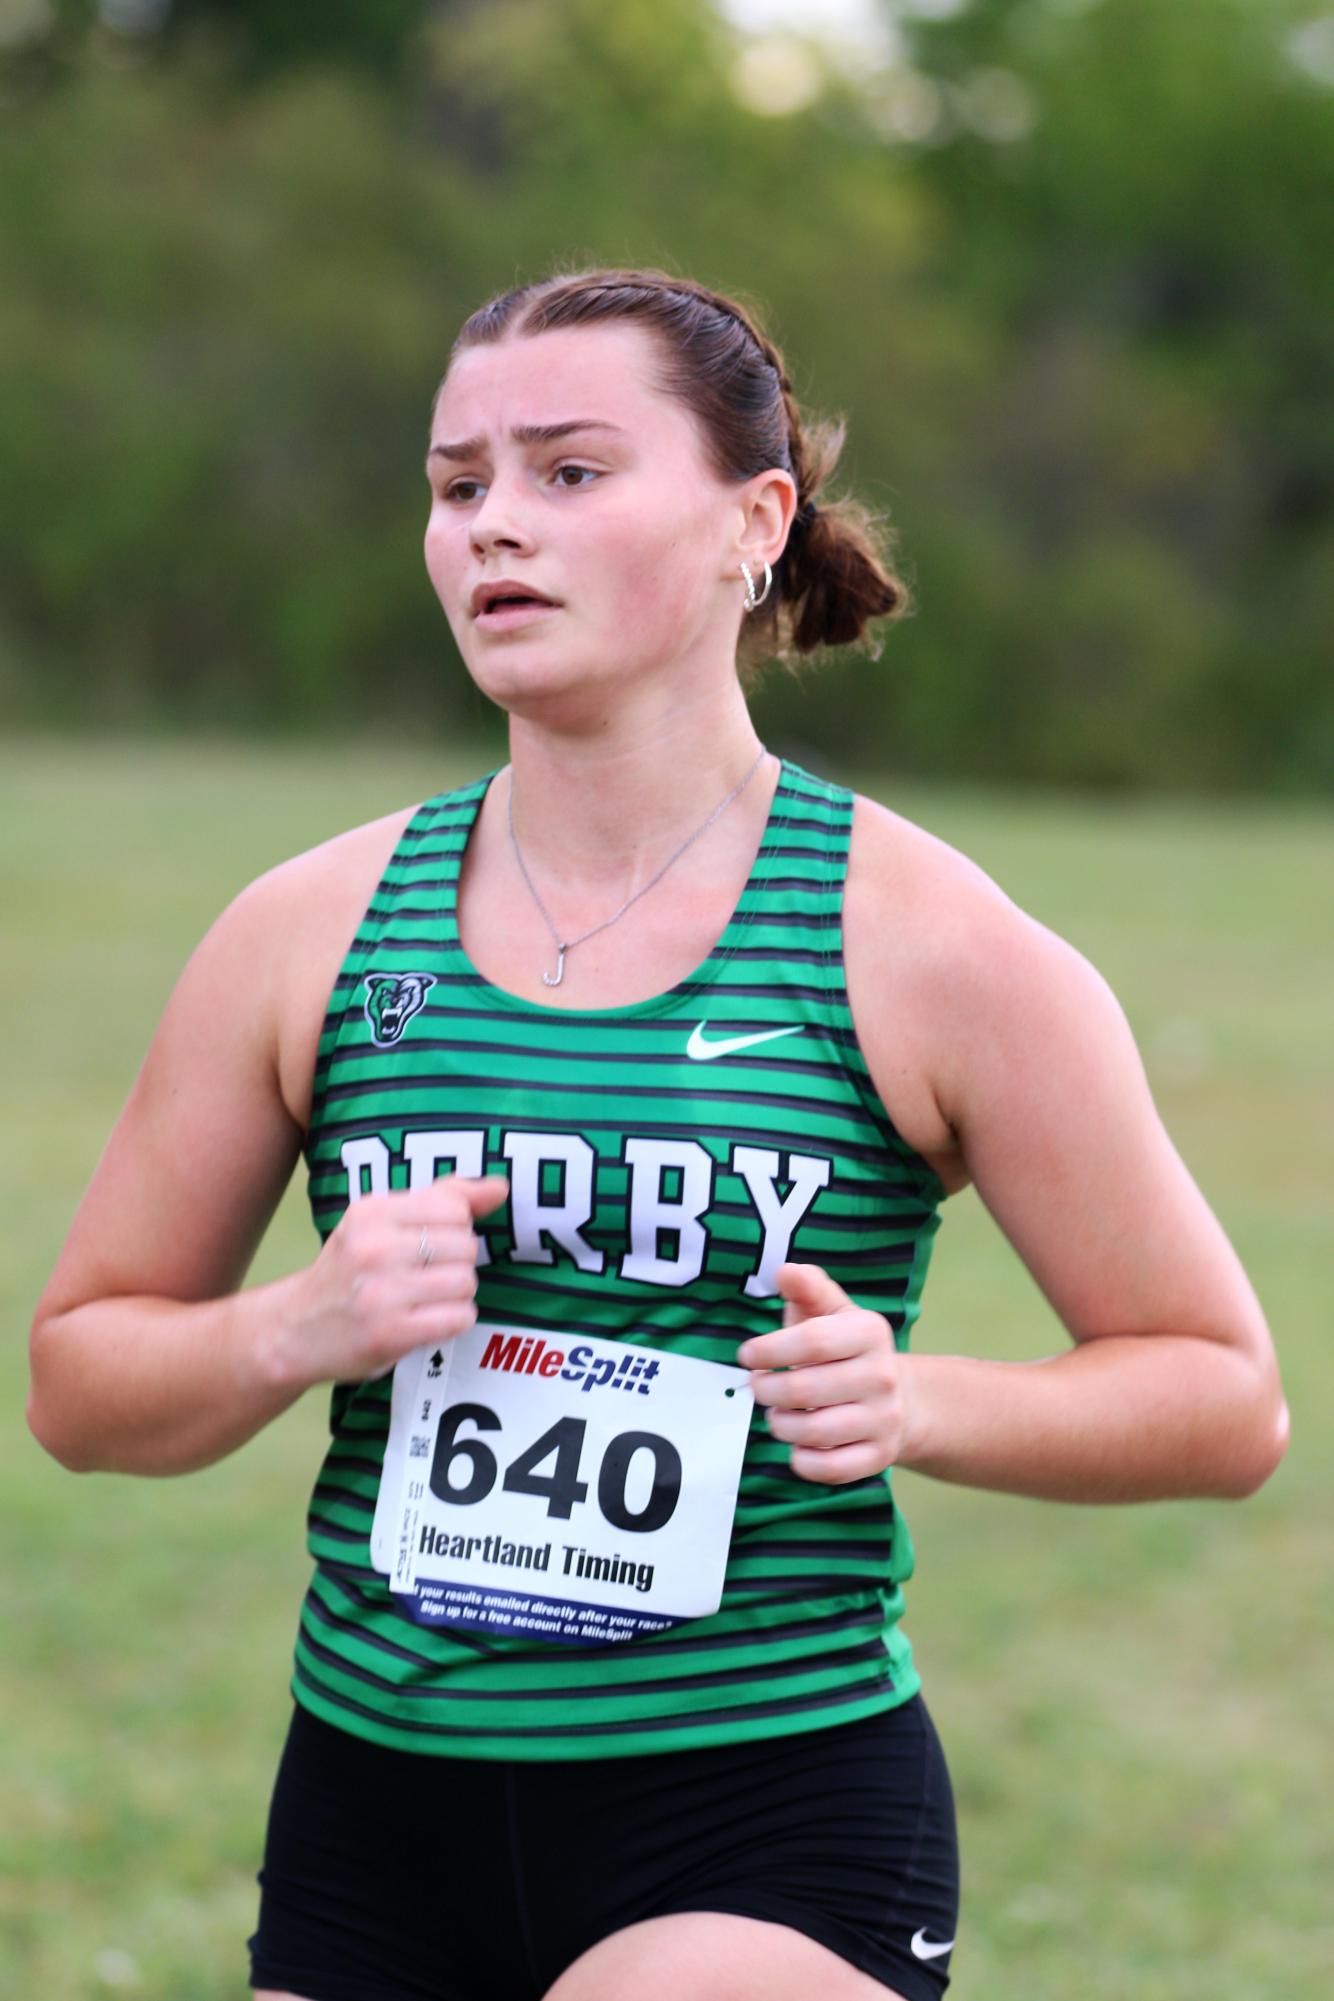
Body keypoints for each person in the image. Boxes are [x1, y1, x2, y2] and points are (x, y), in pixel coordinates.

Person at [27, 264, 1289, 2001]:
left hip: (759, 1813)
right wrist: (290, 1324)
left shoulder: (926, 942)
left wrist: (917, 1400)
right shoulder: (305, 932)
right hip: (374, 1808)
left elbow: (1222, 1395)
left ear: (750, 522)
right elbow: (82, 1381)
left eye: (568, 471)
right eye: (457, 484)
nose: (494, 529)